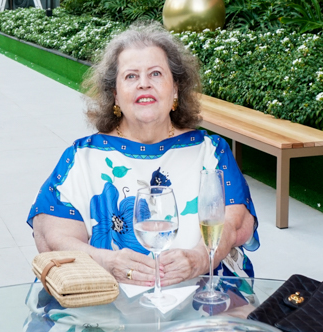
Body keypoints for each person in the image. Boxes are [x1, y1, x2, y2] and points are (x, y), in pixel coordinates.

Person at [30, 24, 259, 289]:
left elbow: (237, 224)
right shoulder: (83, 157)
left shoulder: (210, 152)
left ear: (175, 89)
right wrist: (108, 261)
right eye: (130, 76)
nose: (144, 84)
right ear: (115, 94)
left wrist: (198, 260)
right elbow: (51, 236)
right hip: (106, 305)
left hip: (200, 301)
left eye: (156, 73)